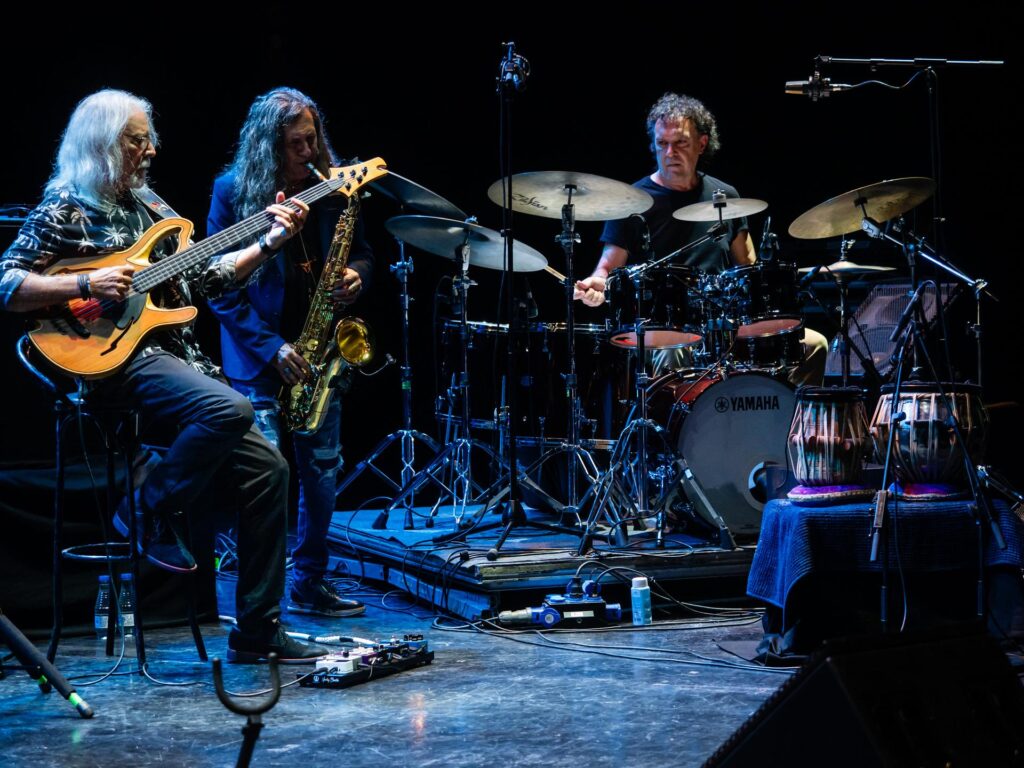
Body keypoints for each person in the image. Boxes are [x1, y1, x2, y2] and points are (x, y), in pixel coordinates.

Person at [0, 89, 327, 663]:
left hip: (169, 357)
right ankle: (148, 507)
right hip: (114, 363)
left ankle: (257, 632)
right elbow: (7, 285)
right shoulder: (64, 211)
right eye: (136, 139)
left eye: (149, 137)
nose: (149, 149)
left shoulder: (151, 206)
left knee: (270, 469)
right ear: (103, 145)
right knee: (231, 408)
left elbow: (208, 277)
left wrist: (270, 243)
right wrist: (83, 285)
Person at [206, 88, 372, 618]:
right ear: (267, 148)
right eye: (295, 144)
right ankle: (264, 601)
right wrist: (272, 347)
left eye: (312, 138)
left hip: (320, 355)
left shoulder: (335, 187)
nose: (308, 151)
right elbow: (219, 291)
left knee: (322, 476)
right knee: (266, 481)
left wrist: (356, 277)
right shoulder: (232, 192)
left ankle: (310, 581)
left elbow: (364, 252)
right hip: (260, 361)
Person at [574, 92, 827, 384]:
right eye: (662, 144)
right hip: (666, 326)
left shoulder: (725, 198)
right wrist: (598, 284)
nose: (670, 152)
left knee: (814, 345)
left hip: (725, 321)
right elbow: (606, 268)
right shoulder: (631, 201)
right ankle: (678, 428)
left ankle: (787, 427)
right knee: (674, 353)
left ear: (701, 144)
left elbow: (748, 268)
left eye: (680, 143)